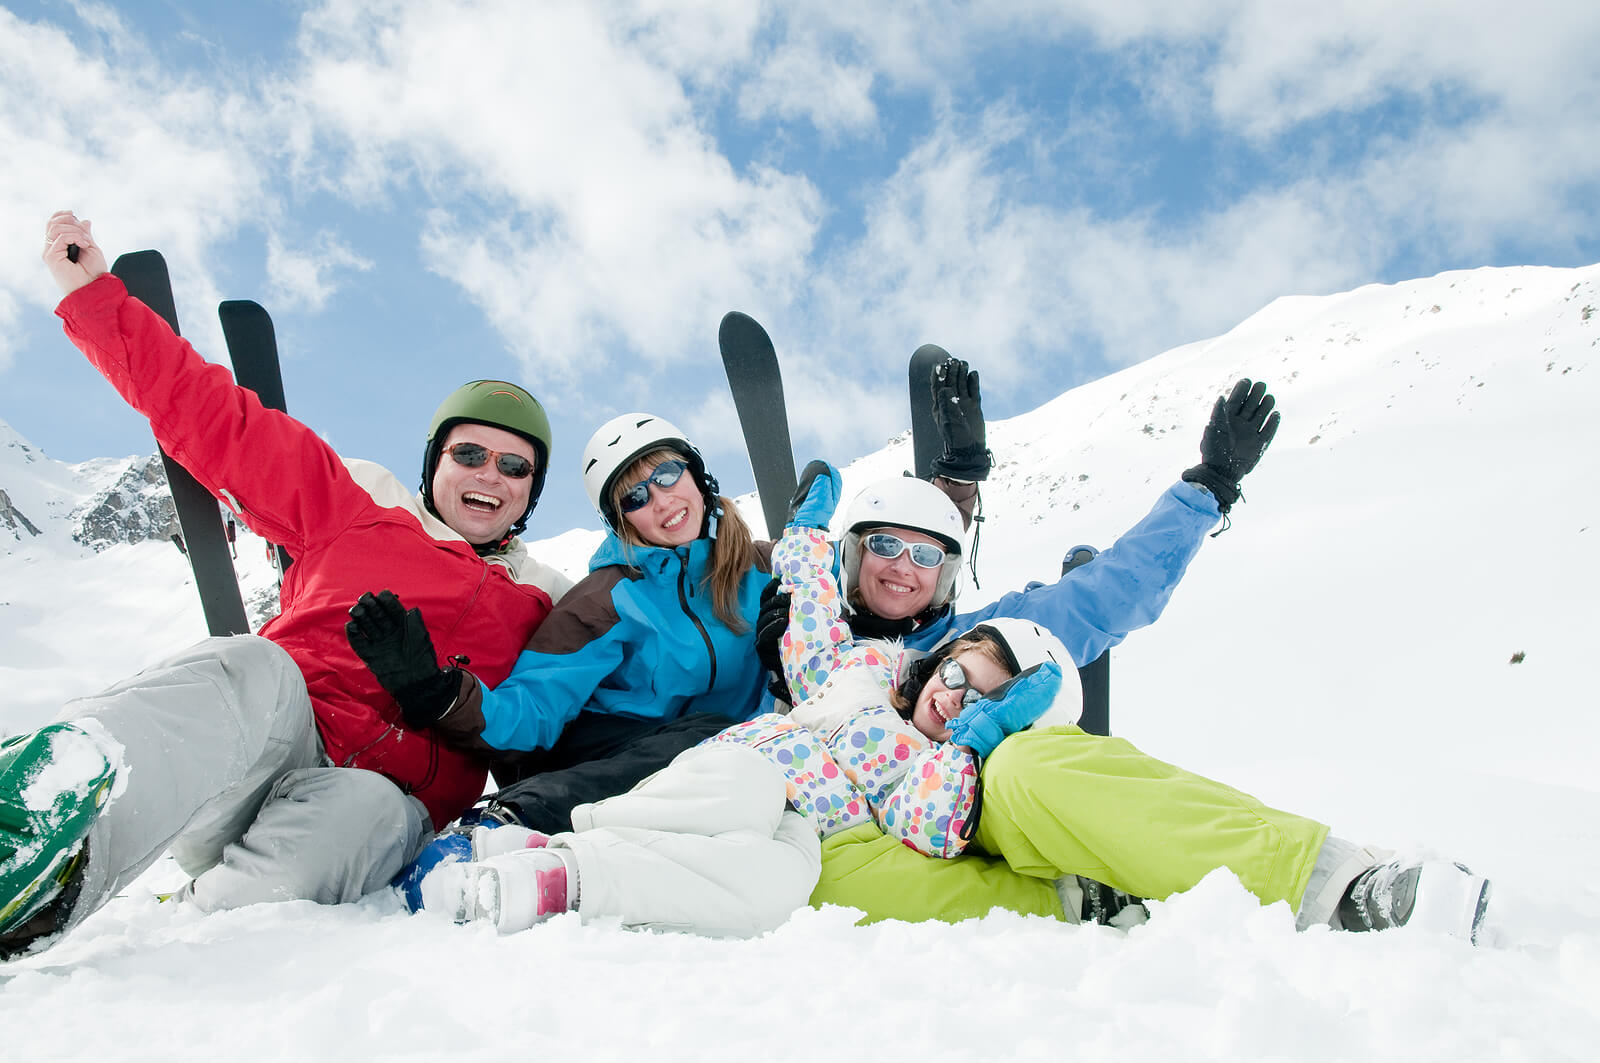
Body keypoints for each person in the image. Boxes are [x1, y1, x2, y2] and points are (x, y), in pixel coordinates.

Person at [0, 212, 571, 960]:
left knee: (362, 806)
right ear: (435, 461)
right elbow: (214, 419)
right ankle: (37, 837)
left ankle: (200, 940)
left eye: (515, 465)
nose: (490, 476)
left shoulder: (548, 605)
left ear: (533, 491)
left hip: (377, 805)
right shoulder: (358, 507)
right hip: (264, 744)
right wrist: (96, 299)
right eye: (470, 452)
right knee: (252, 666)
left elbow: (578, 716)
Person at [346, 413, 778, 837]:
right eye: (635, 498)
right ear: (622, 521)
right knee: (714, 734)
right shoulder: (605, 600)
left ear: (697, 474)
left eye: (667, 474)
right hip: (594, 760)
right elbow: (535, 706)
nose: (661, 501)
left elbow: (845, 580)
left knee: (735, 748)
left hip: (726, 764)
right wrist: (439, 694)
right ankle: (509, 824)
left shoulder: (768, 567)